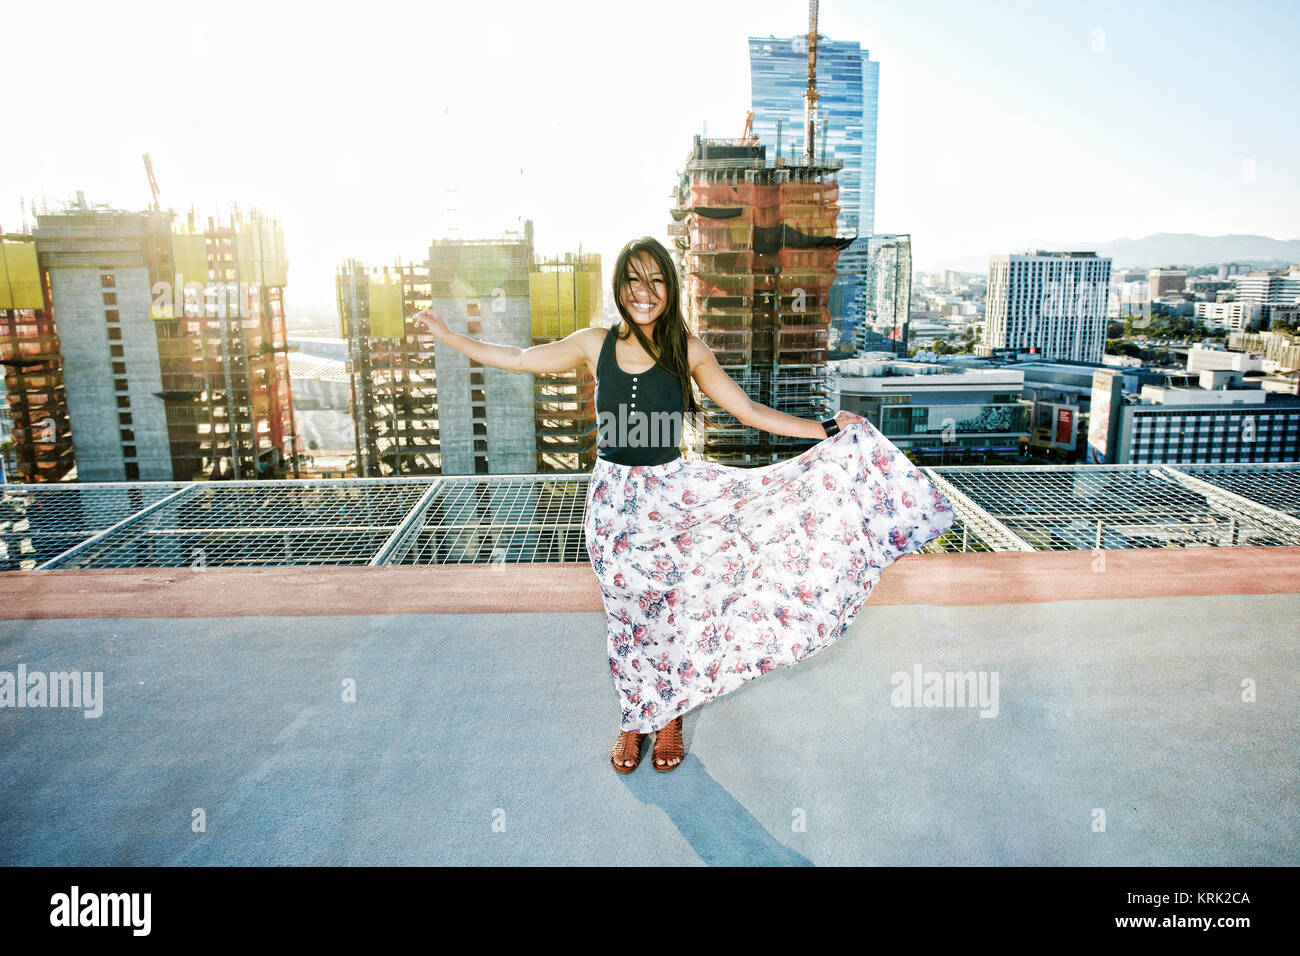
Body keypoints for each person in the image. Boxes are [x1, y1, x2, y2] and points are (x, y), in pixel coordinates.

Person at [413, 236, 955, 775]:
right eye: (633, 280)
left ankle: (668, 713)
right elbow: (519, 357)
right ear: (620, 287)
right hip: (612, 502)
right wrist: (448, 336)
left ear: (669, 289)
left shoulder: (687, 350)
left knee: (670, 613)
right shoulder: (593, 342)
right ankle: (634, 717)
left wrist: (826, 428)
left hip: (671, 498)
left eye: (655, 281)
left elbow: (744, 410)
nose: (644, 292)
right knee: (624, 614)